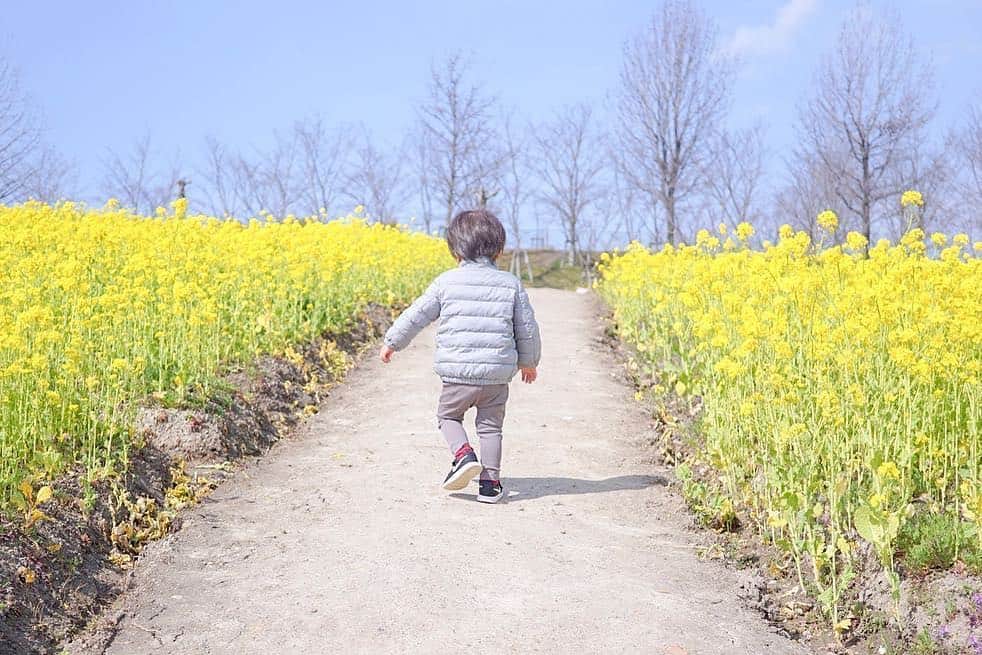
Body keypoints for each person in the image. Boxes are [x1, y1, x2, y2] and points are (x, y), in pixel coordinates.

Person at [379, 209, 541, 503]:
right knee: (491, 427)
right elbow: (527, 328)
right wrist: (529, 362)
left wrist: (393, 342)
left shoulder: (445, 282)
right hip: (495, 377)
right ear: (500, 250)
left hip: (458, 376)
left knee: (448, 416)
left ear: (455, 250)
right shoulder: (511, 284)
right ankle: (490, 485)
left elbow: (416, 316)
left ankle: (463, 454)